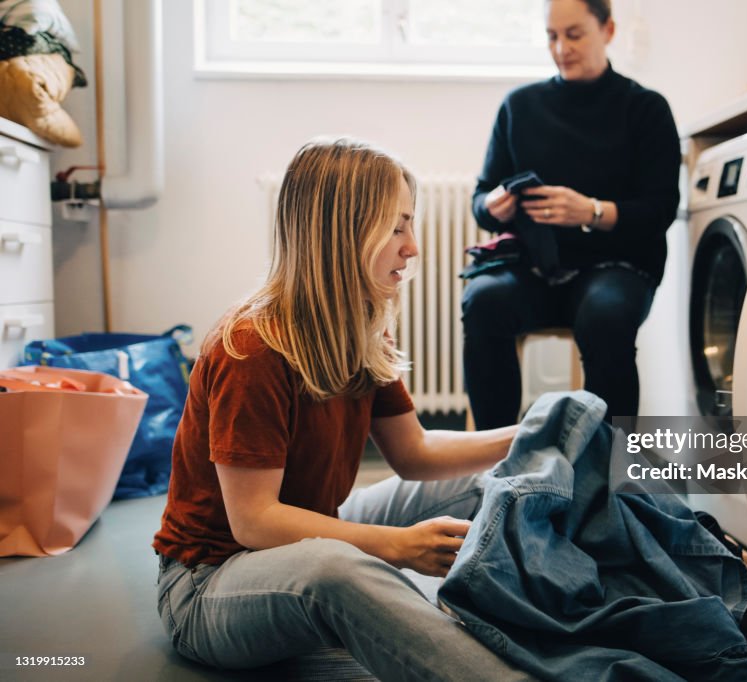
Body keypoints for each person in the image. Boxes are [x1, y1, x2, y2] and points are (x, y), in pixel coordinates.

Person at [152, 138, 534, 681]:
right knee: (335, 567)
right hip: (208, 584)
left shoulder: (361, 325)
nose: (414, 248)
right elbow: (255, 521)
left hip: (309, 534)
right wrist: (395, 546)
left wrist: (528, 434)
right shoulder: (251, 347)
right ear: (342, 232)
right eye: (397, 227)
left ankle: (561, 616)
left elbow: (414, 453)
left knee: (494, 480)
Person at [463, 0, 681, 429]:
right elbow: (481, 198)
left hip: (617, 267)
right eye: (551, 36)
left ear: (609, 30)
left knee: (606, 317)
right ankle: (491, 461)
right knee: (483, 301)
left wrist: (592, 211)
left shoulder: (646, 109)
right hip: (533, 267)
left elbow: (660, 210)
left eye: (574, 34)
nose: (561, 48)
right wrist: (493, 205)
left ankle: (605, 472)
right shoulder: (519, 107)